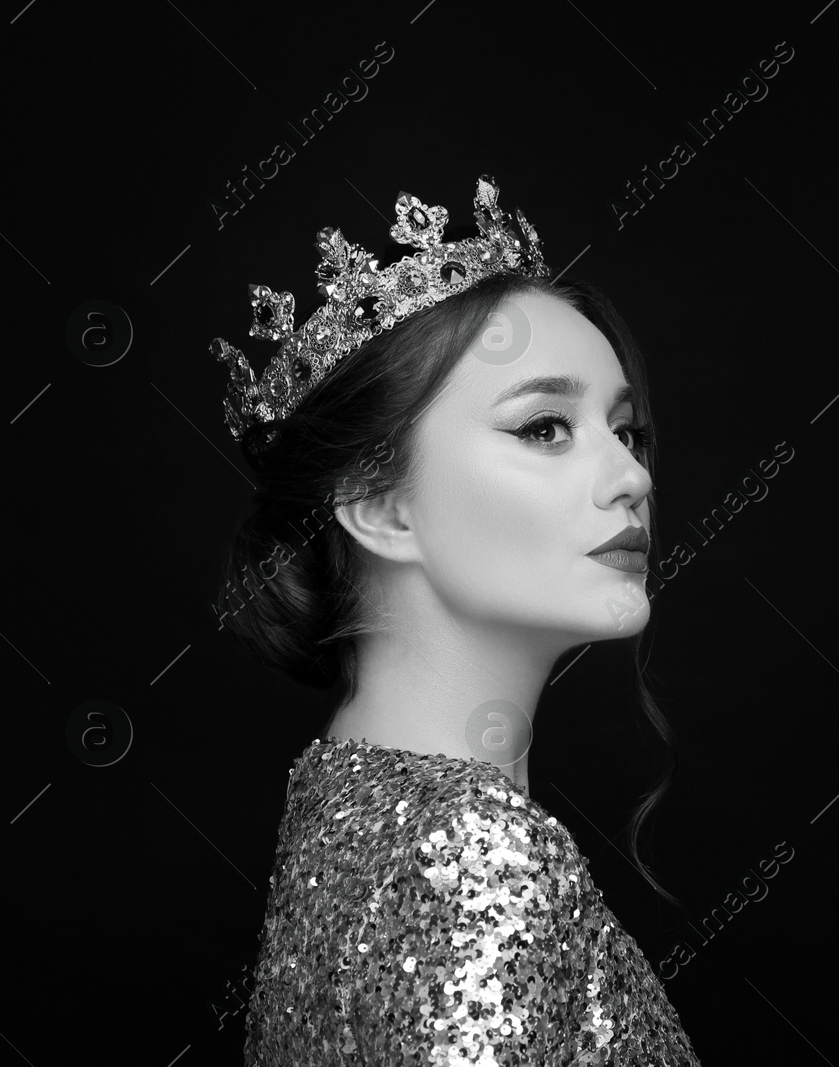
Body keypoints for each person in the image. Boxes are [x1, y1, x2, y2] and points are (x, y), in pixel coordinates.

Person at [210, 177, 701, 1065]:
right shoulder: (477, 856)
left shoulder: (338, 797)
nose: (633, 476)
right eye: (546, 427)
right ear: (378, 507)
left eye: (624, 429)